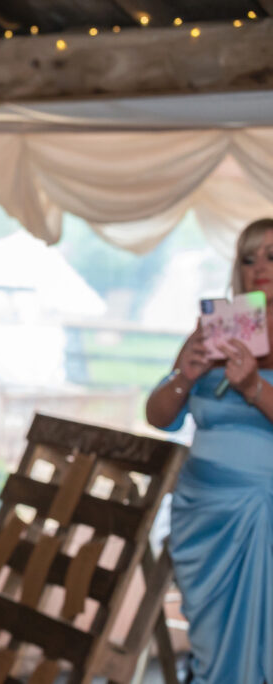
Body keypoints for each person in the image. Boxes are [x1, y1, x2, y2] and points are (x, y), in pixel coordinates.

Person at [145, 217, 273, 684]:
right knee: (212, 644)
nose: (259, 266)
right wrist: (186, 375)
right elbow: (160, 415)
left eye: (271, 256)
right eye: (248, 257)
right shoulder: (219, 329)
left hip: (262, 513)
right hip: (202, 512)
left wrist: (254, 387)